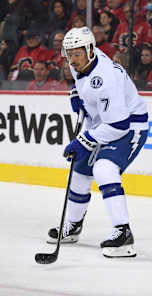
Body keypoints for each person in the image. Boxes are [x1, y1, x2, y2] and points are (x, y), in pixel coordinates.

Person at [47, 27, 149, 258]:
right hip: (104, 123)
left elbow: (118, 126)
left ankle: (123, 234)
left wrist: (83, 141)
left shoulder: (105, 79)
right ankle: (72, 226)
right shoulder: (83, 61)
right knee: (80, 171)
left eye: (77, 54)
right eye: (68, 54)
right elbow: (82, 82)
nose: (72, 60)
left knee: (104, 169)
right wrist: (76, 94)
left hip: (128, 127)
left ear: (91, 50)